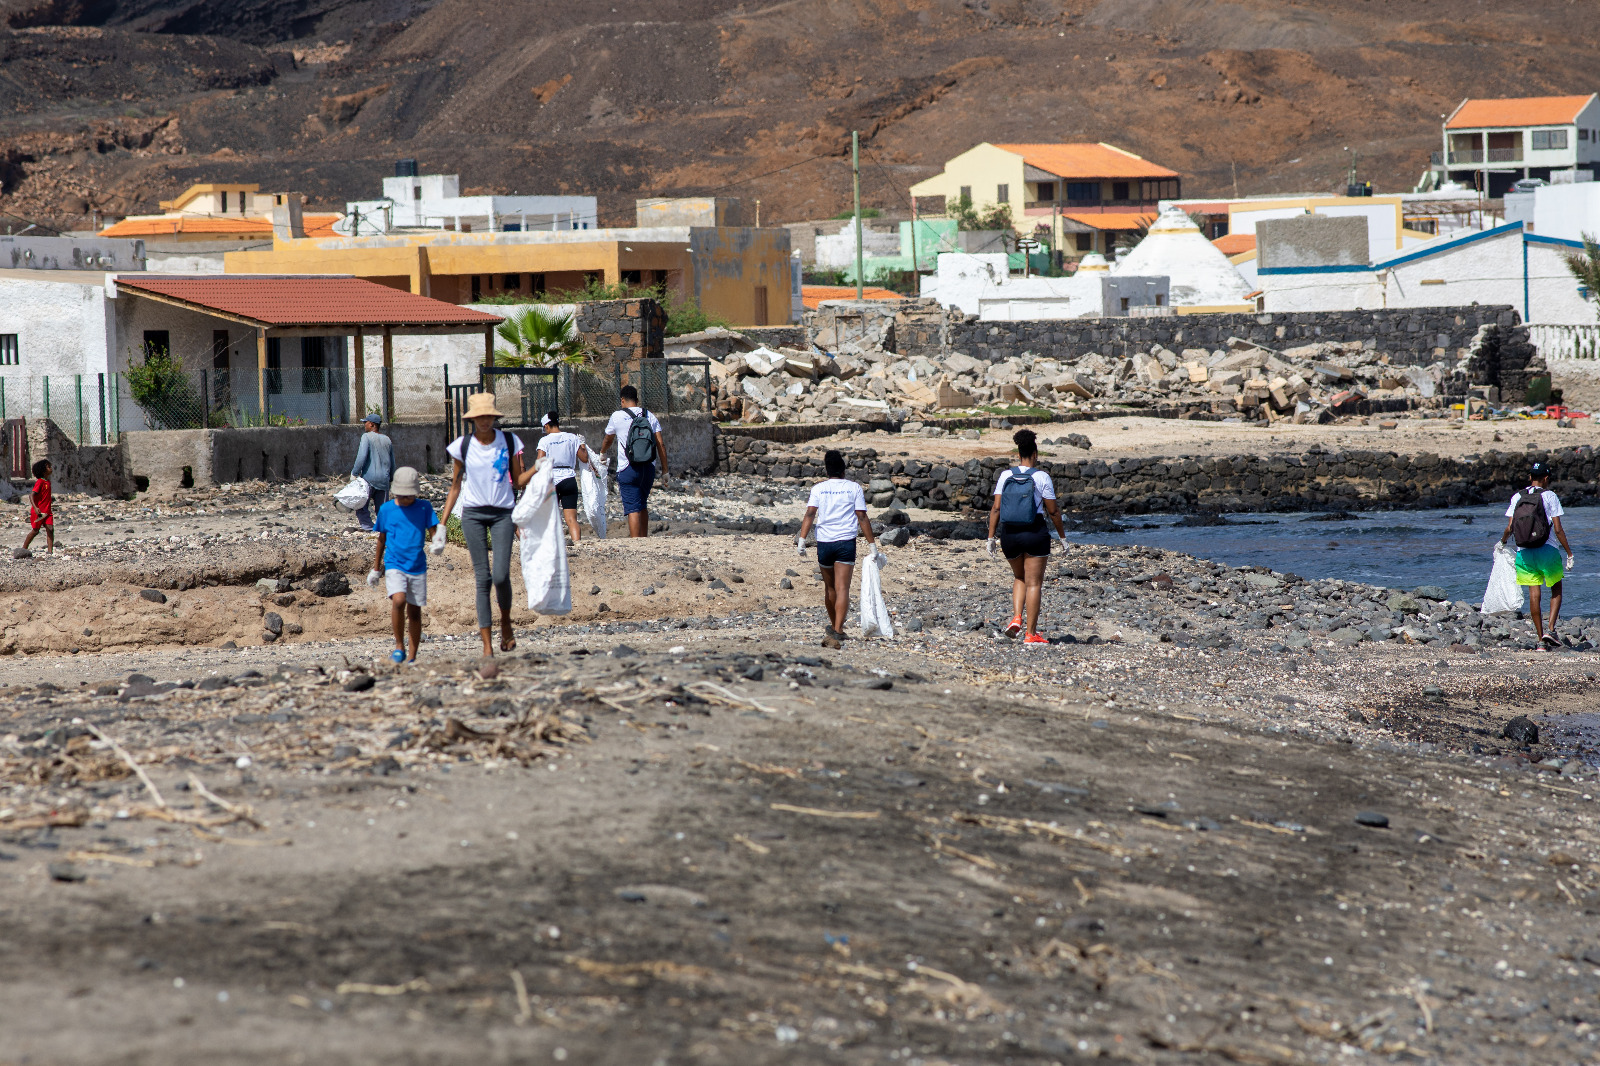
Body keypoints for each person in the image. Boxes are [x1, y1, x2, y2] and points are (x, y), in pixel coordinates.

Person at [437, 392, 525, 657]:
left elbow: (519, 480)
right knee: (482, 579)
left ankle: (506, 622)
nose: (485, 421)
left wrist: (539, 469)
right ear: (472, 419)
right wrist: (441, 525)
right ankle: (487, 647)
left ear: (494, 417)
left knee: (501, 575)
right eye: (480, 416)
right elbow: (455, 487)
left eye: (489, 416)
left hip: (503, 514)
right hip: (473, 515)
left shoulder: (509, 441)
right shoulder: (462, 446)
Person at [987, 429, 1067, 645]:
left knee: (1019, 577)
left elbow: (996, 509)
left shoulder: (1005, 475)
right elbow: (1053, 512)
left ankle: (1016, 617)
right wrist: (1063, 538)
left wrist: (991, 538)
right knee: (1034, 584)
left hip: (1009, 535)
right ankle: (1030, 634)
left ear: (1018, 453)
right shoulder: (1042, 477)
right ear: (1035, 453)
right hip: (1034, 533)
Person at [797, 449, 877, 642]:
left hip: (824, 542)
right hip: (845, 542)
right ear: (843, 471)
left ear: (827, 471)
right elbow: (862, 516)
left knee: (830, 588)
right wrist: (872, 545)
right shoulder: (854, 488)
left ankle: (834, 626)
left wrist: (802, 539)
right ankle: (838, 630)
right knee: (842, 588)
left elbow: (810, 513)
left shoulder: (819, 488)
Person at [1499, 461, 1575, 649]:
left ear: (1530, 477)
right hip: (1547, 550)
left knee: (1534, 594)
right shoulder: (1550, 496)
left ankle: (1540, 641)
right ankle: (1551, 629)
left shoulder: (1517, 496)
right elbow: (1558, 529)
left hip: (1524, 552)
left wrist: (1502, 542)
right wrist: (1569, 553)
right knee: (1556, 589)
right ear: (1546, 478)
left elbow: (1509, 528)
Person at [368, 466, 437, 664]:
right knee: (398, 601)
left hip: (417, 566)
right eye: (403, 495)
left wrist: (438, 542)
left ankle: (412, 656)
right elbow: (381, 540)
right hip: (394, 563)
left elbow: (434, 532)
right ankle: (399, 646)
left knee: (414, 611)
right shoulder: (387, 510)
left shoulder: (424, 507)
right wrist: (376, 569)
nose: (407, 499)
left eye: (410, 496)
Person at [601, 384, 669, 537]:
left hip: (628, 468)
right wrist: (665, 471)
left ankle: (635, 543)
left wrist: (602, 452)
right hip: (648, 468)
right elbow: (660, 444)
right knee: (642, 504)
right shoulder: (649, 415)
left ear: (622, 400)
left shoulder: (617, 416)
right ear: (637, 400)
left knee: (632, 508)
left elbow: (608, 439)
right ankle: (644, 540)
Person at [520, 411, 590, 544]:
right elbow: (584, 458)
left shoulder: (544, 440)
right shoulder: (572, 437)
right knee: (571, 519)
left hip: (551, 479)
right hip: (569, 478)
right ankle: (578, 545)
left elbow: (540, 462)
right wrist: (582, 444)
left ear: (546, 426)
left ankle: (550, 545)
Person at [350, 415, 394, 531]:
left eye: (365, 422)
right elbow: (392, 461)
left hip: (369, 479)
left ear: (372, 424)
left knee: (362, 505)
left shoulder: (366, 437)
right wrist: (390, 477)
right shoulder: (387, 439)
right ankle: (383, 528)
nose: (364, 425)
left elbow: (361, 457)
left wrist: (354, 473)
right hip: (384, 479)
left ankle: (368, 526)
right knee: (382, 508)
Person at [21, 458, 53, 556]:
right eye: (48, 467)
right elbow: (31, 495)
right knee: (35, 531)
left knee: (50, 529)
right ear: (43, 471)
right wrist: (35, 507)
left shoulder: (48, 482)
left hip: (47, 511)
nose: (51, 468)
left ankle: (50, 552)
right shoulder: (40, 482)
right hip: (39, 512)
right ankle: (23, 548)